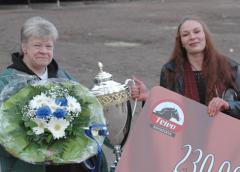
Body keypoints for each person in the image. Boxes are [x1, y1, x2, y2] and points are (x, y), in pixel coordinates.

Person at [0, 16, 107, 172]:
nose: (44, 51)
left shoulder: (62, 76)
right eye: (37, 45)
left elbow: (86, 109)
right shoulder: (7, 81)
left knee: (94, 155)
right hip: (27, 159)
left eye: (48, 46)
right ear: (24, 47)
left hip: (68, 156)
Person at [131, 16, 240, 119]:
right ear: (181, 42)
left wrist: (228, 105)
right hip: (185, 135)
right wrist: (149, 97)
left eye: (197, 32)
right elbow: (167, 110)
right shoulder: (170, 71)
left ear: (205, 36)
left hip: (222, 133)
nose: (192, 37)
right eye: (185, 34)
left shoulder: (231, 67)